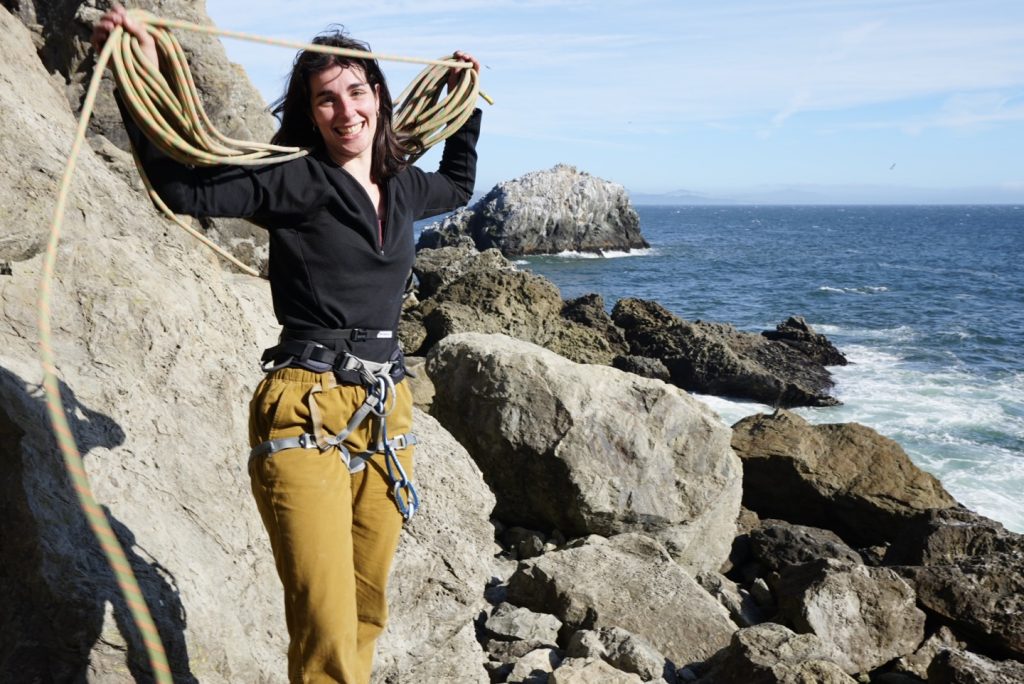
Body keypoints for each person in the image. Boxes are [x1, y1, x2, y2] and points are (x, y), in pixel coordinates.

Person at [92, 7, 481, 683]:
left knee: (364, 613)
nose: (345, 110)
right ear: (310, 112)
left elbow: (460, 184)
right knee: (327, 628)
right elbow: (184, 188)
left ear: (380, 96)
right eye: (325, 99)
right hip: (305, 409)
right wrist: (138, 78)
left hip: (387, 414)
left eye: (357, 92)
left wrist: (464, 100)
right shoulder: (295, 179)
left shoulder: (403, 185)